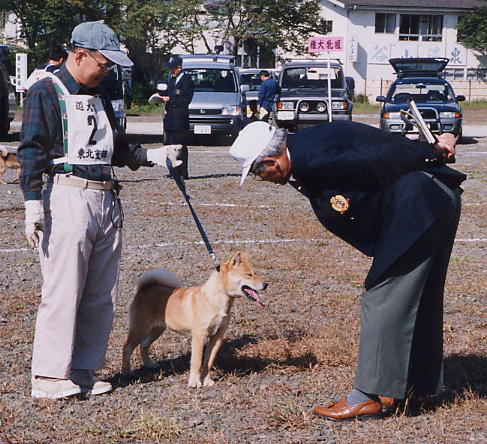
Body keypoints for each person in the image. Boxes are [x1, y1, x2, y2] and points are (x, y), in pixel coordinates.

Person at [229, 121, 465, 420]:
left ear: (271, 161)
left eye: (257, 172)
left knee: (383, 294)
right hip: (433, 198)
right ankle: (417, 385)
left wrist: (430, 151)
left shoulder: (315, 157)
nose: (261, 178)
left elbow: (380, 155)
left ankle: (367, 396)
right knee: (417, 296)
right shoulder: (308, 146)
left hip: (418, 203)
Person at [18, 21, 181, 400]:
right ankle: (48, 375)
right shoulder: (45, 91)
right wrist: (31, 203)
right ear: (80, 55)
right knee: (62, 289)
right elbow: (31, 150)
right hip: (66, 193)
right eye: (103, 64)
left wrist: (152, 157)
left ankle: (83, 369)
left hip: (106, 196)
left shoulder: (101, 93)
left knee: (100, 292)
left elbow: (115, 145)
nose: (106, 71)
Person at [159, 55, 194, 179]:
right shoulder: (171, 79)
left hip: (180, 117)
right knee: (171, 145)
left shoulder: (187, 80)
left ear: (179, 68)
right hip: (170, 117)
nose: (170, 71)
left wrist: (171, 98)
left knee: (181, 145)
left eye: (172, 68)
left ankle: (183, 173)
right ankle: (173, 171)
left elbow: (185, 99)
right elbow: (168, 92)